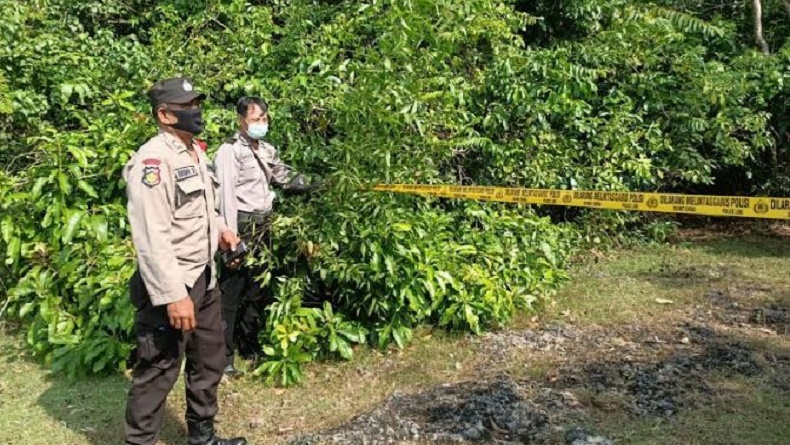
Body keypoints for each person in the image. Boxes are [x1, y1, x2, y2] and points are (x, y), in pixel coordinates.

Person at [122, 77, 247, 445]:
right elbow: (151, 235)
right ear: (165, 114)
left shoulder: (194, 152)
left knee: (209, 361)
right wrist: (173, 295)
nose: (197, 111)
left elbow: (203, 209)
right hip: (173, 283)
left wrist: (223, 231)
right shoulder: (153, 161)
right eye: (188, 106)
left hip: (204, 278)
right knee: (158, 370)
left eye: (197, 104)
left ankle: (202, 438)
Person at [214, 96, 317, 377]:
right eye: (255, 119)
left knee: (257, 287)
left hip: (264, 224)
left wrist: (318, 184)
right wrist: (230, 238)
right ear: (241, 120)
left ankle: (249, 345)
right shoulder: (229, 151)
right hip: (241, 225)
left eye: (264, 118)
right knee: (231, 292)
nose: (262, 123)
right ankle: (224, 357)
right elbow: (225, 197)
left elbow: (284, 177)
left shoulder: (267, 150)